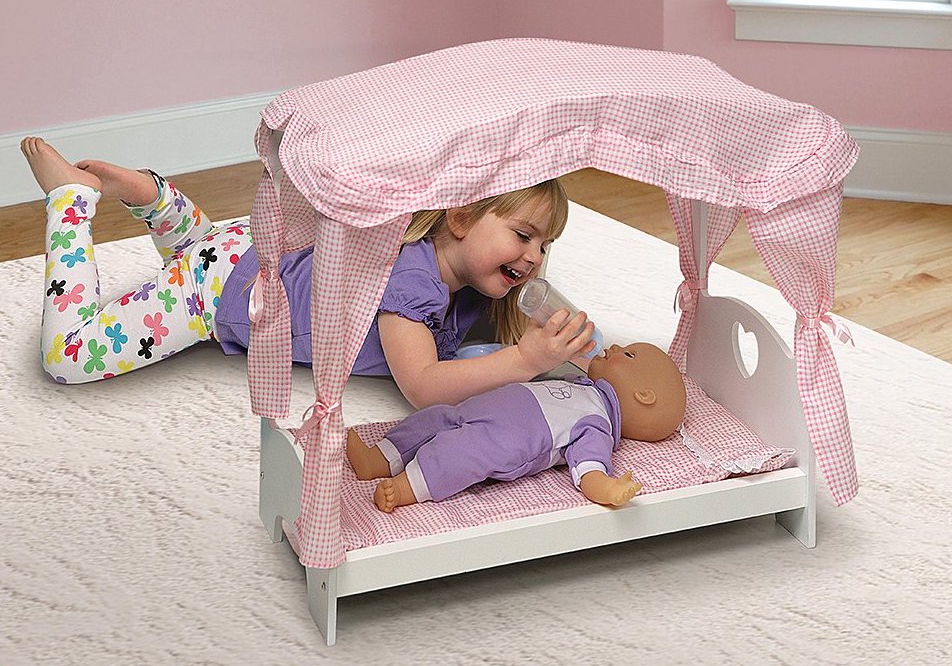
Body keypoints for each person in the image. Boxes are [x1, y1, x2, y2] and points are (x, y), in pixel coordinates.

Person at [20, 137, 597, 406]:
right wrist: (525, 362)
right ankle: (71, 200)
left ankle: (150, 193)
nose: (536, 258)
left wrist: (581, 353)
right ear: (463, 216)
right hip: (216, 291)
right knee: (69, 356)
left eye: (546, 246)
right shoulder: (412, 283)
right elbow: (423, 386)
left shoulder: (474, 280)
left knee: (200, 247)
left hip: (248, 249)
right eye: (524, 236)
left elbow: (531, 328)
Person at [346, 342, 688, 512]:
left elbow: (590, 472)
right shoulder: (583, 385)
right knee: (433, 418)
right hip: (480, 408)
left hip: (501, 440)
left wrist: (611, 491)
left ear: (643, 395)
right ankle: (378, 459)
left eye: (627, 356)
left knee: (460, 454)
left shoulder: (597, 424)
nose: (614, 347)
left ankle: (405, 489)